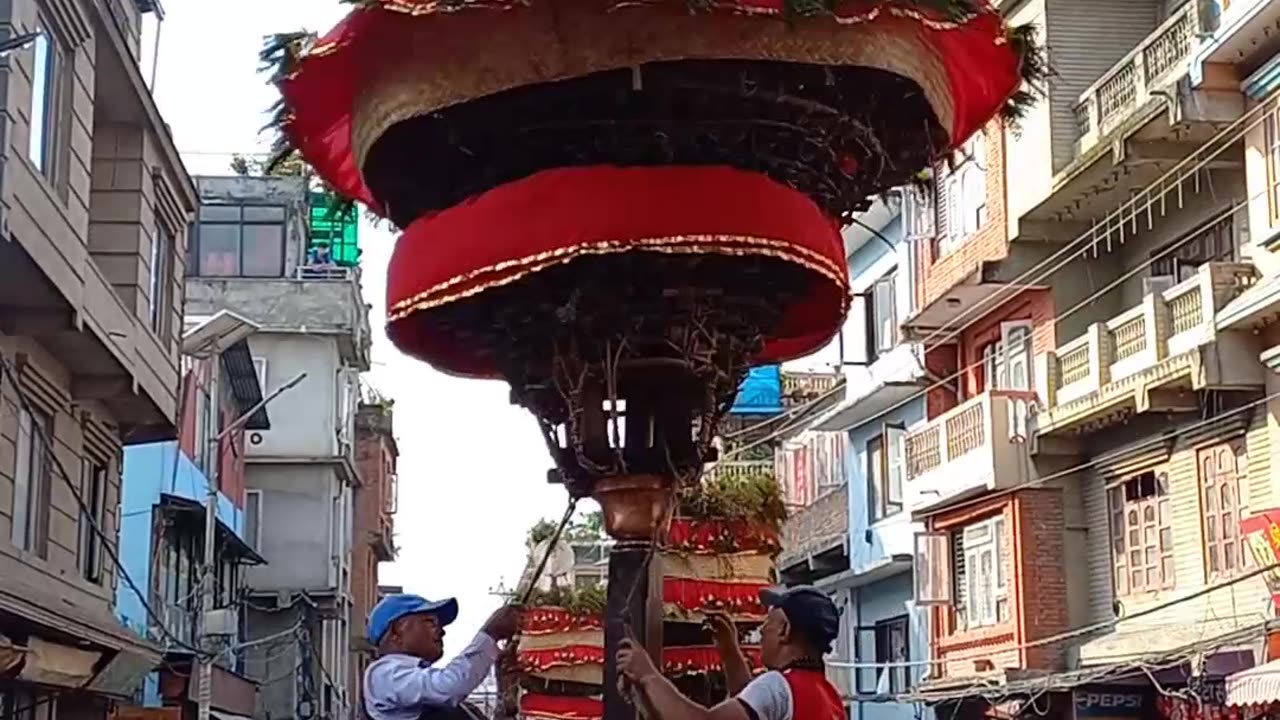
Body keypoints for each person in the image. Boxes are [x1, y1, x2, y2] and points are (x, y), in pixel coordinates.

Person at [617, 586, 844, 720]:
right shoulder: (829, 697)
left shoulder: (777, 686)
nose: (762, 630)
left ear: (785, 630)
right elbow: (749, 704)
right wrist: (729, 650)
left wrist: (648, 674)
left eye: (769, 622)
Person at [364, 593, 521, 720]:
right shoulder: (384, 674)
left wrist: (504, 688)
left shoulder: (433, 697)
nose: (441, 631)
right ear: (397, 631)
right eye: (430, 622)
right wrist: (490, 634)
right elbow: (451, 686)